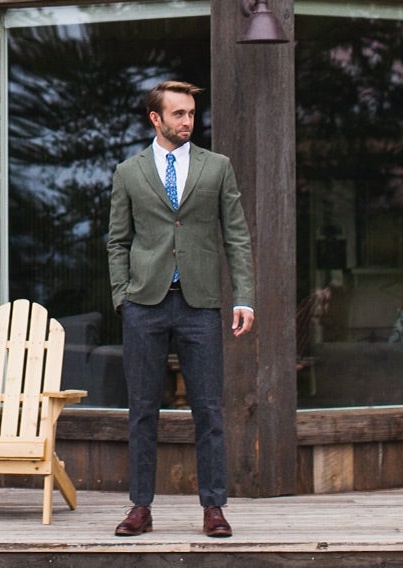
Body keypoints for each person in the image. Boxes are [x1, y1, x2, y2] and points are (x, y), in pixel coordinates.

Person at [106, 80, 255, 538]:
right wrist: (122, 296)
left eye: (191, 113)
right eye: (178, 114)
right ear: (156, 119)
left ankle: (214, 508)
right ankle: (140, 508)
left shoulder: (218, 168)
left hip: (200, 304)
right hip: (144, 304)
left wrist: (244, 295)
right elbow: (118, 240)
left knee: (209, 410)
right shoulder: (129, 172)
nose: (188, 121)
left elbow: (236, 234)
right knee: (142, 410)